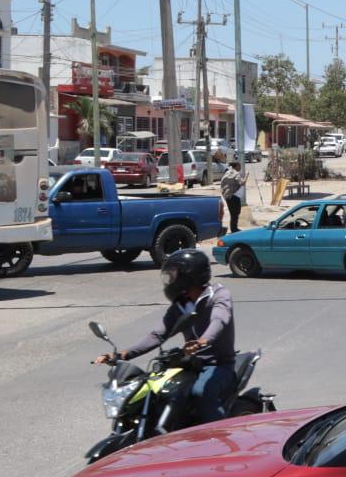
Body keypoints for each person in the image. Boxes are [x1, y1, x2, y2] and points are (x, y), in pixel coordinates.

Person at [92, 249, 236, 424]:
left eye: (173, 275)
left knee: (201, 392)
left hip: (218, 365)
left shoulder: (219, 295)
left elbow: (219, 320)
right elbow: (157, 335)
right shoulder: (181, 305)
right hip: (190, 364)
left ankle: (220, 437)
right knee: (159, 394)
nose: (170, 280)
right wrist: (122, 354)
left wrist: (203, 341)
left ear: (188, 275)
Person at [220, 161, 246, 234]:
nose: (240, 167)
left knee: (233, 213)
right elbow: (241, 183)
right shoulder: (236, 174)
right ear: (236, 166)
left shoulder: (228, 172)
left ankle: (233, 228)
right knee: (236, 213)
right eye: (239, 166)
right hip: (234, 195)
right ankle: (234, 229)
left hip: (227, 195)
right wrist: (246, 177)